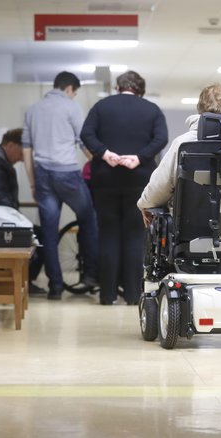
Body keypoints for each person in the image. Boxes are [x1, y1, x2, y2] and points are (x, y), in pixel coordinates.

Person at [80, 71, 168, 306]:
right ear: (140, 89)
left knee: (107, 235)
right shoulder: (152, 110)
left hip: (105, 179)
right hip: (138, 180)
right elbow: (161, 139)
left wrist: (105, 154)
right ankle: (132, 295)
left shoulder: (101, 106)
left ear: (118, 87)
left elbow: (86, 134)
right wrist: (139, 158)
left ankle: (107, 295)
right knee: (135, 235)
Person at [137, 83, 221, 223]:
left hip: (188, 233)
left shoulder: (183, 144)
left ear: (200, 110)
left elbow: (157, 190)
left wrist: (145, 205)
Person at [22, 71, 99, 301]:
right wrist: (96, 163)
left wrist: (33, 183)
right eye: (74, 93)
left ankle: (55, 286)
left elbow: (27, 150)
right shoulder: (71, 107)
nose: (74, 97)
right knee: (88, 218)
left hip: (43, 175)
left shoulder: (33, 109)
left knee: (48, 232)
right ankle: (91, 275)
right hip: (67, 174)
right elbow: (84, 141)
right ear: (69, 89)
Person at [0, 128, 47, 294]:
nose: (22, 159)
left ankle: (25, 280)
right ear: (10, 145)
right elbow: (2, 201)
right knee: (42, 235)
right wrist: (19, 222)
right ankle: (25, 281)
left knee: (39, 234)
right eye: (21, 153)